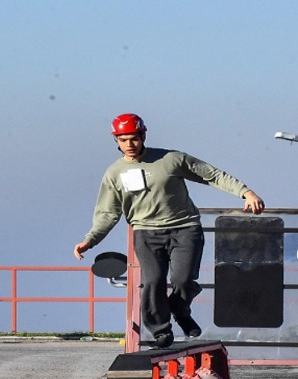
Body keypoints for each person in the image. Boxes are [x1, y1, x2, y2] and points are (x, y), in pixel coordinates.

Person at [74, 113, 266, 348]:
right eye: (123, 140)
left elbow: (212, 175)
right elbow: (107, 212)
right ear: (116, 141)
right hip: (146, 232)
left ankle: (180, 309)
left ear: (143, 136)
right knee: (153, 281)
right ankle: (160, 330)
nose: (129, 145)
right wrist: (90, 240)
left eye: (133, 139)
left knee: (183, 280)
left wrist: (246, 193)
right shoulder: (114, 173)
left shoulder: (170, 159)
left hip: (185, 228)